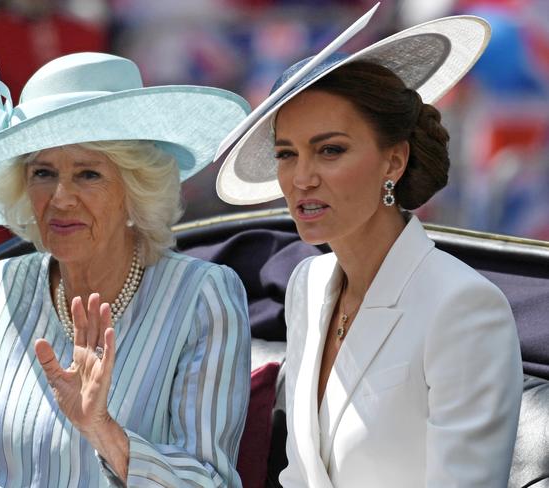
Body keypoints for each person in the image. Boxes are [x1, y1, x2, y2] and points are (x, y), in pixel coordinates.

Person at [215, 10, 523, 488]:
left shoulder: (462, 305)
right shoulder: (308, 285)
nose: (302, 178)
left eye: (330, 150)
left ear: (393, 160)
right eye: (286, 154)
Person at [0, 46, 251, 487]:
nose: (60, 198)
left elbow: (212, 481)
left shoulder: (201, 296)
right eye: (43, 173)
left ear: (135, 188)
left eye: (88, 174)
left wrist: (102, 429)